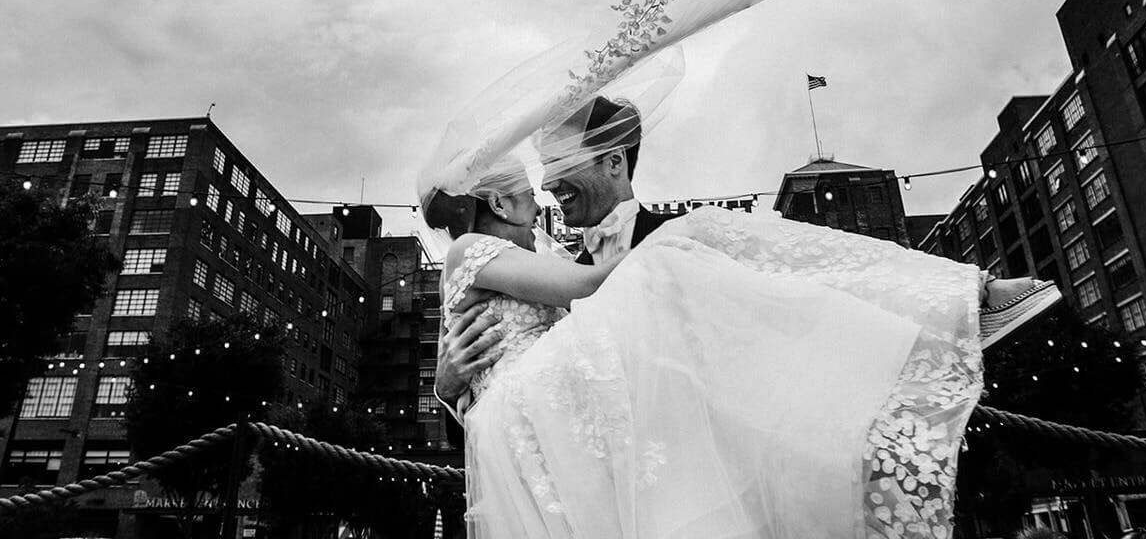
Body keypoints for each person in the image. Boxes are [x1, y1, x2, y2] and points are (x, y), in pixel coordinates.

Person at [427, 93, 1055, 538]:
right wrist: (447, 385)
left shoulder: (662, 247)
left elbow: (780, 321)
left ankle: (947, 307)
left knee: (702, 246)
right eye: (538, 182)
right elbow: (495, 404)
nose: (547, 194)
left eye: (560, 172)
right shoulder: (547, 270)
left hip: (706, 476)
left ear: (613, 163)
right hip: (601, 478)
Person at [434, 96, 675, 418]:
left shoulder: (687, 247)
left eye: (558, 162)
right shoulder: (564, 281)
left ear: (615, 162)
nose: (546, 185)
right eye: (542, 169)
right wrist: (447, 389)